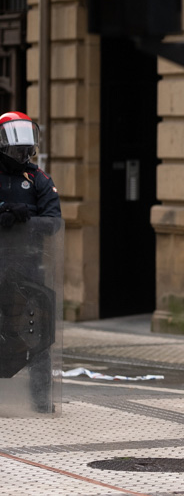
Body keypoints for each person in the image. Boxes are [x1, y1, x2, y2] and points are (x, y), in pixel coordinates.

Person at [0, 111, 61, 413]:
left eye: (26, 150)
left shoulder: (38, 179)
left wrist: (28, 221)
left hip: (30, 272)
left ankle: (40, 401)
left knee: (39, 337)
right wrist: (3, 211)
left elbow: (54, 222)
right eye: (16, 150)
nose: (22, 155)